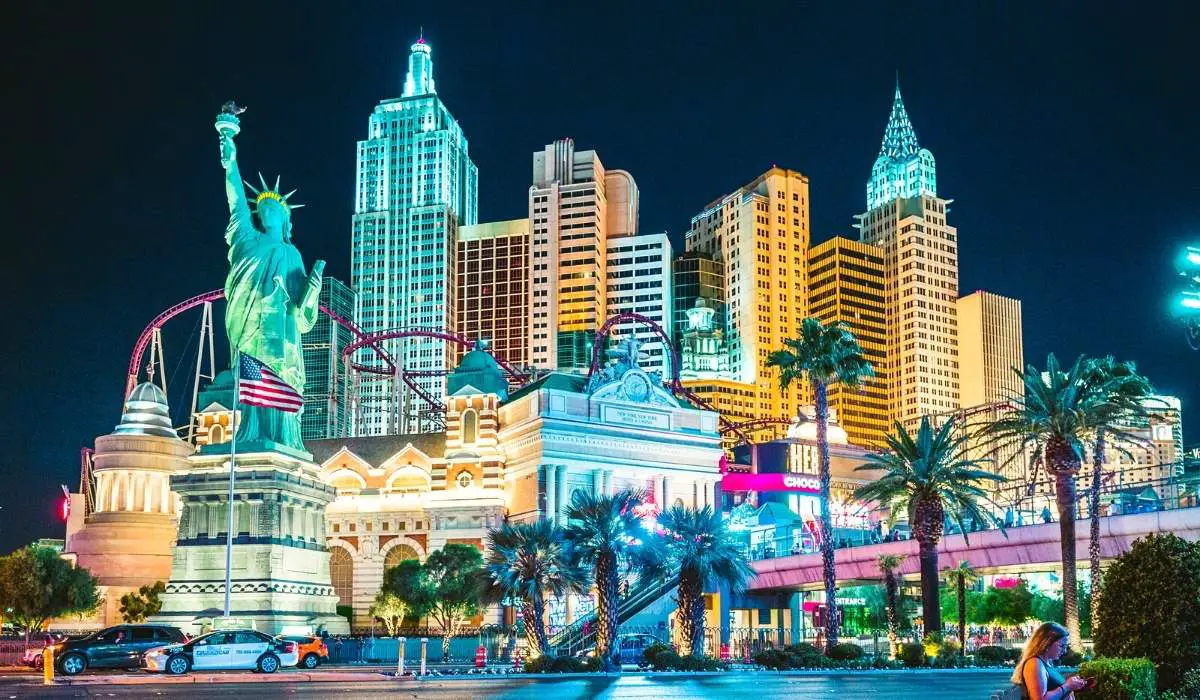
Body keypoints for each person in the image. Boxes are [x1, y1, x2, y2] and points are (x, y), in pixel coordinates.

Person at [1012, 622, 1088, 699]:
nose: (1064, 651)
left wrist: (1073, 685)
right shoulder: (1034, 663)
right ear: (1047, 643)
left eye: (1066, 646)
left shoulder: (1046, 663)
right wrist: (1067, 686)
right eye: (1062, 646)